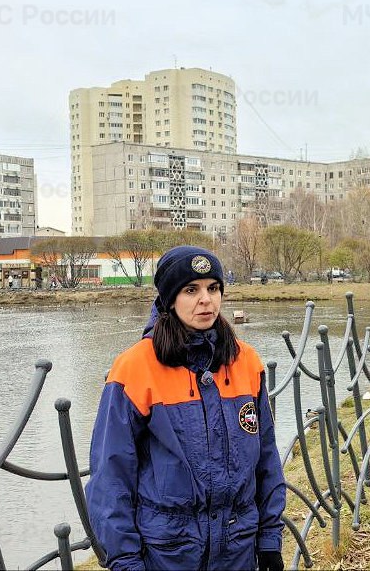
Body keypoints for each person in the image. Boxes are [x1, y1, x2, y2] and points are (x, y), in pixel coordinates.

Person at [86, 245, 286, 571]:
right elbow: (111, 476)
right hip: (168, 554)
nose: (206, 299)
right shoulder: (135, 368)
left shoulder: (245, 361)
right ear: (170, 299)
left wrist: (269, 540)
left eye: (213, 288)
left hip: (237, 548)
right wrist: (124, 560)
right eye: (191, 290)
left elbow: (265, 456)